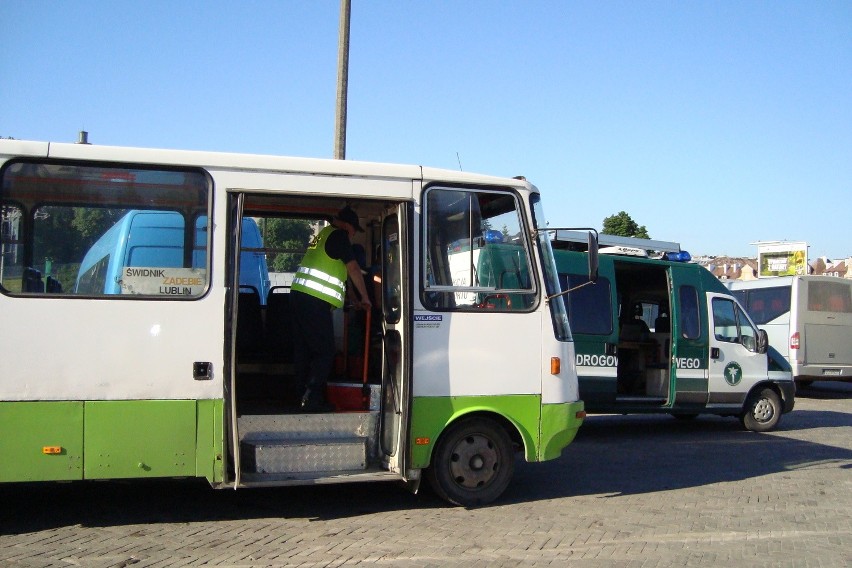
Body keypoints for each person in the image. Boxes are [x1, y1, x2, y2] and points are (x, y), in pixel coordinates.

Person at [290, 206, 372, 412]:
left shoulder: (325, 235)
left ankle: (301, 397)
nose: (354, 235)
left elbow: (344, 275)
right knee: (325, 351)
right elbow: (353, 268)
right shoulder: (339, 236)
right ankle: (311, 399)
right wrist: (366, 298)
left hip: (300, 297)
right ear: (348, 225)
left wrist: (355, 299)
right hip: (313, 301)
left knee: (304, 350)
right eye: (355, 230)